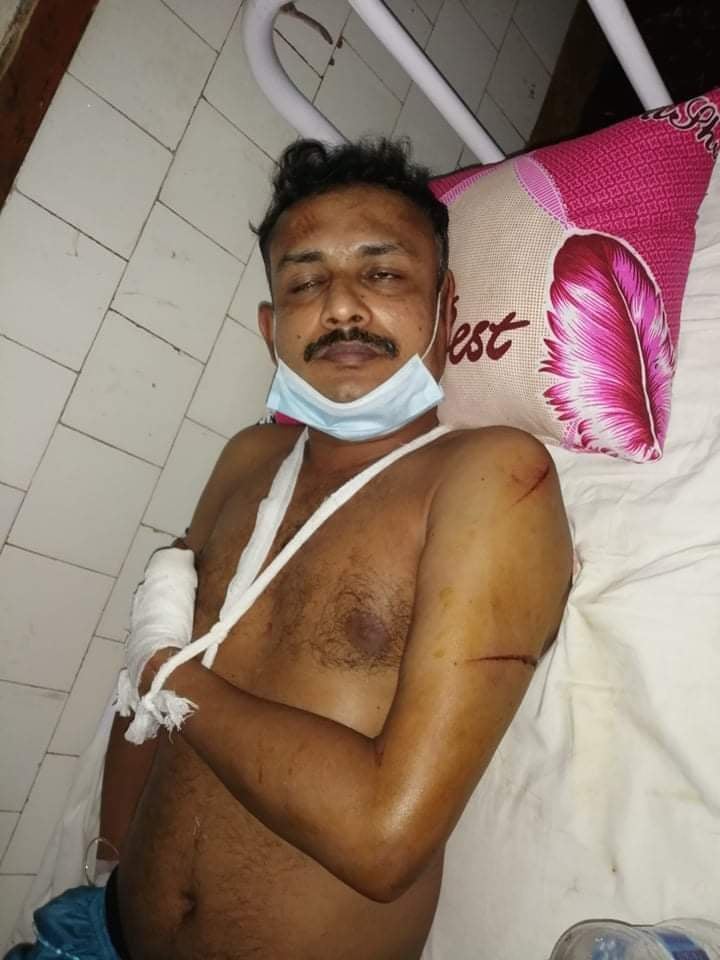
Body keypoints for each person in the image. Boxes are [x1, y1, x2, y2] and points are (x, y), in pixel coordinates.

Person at [9, 139, 572, 960]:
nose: (341, 306)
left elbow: (384, 841)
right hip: (101, 935)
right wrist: (111, 862)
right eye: (305, 282)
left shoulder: (492, 479)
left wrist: (175, 679)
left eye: (383, 273)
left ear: (447, 309)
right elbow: (144, 704)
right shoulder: (247, 459)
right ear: (272, 328)